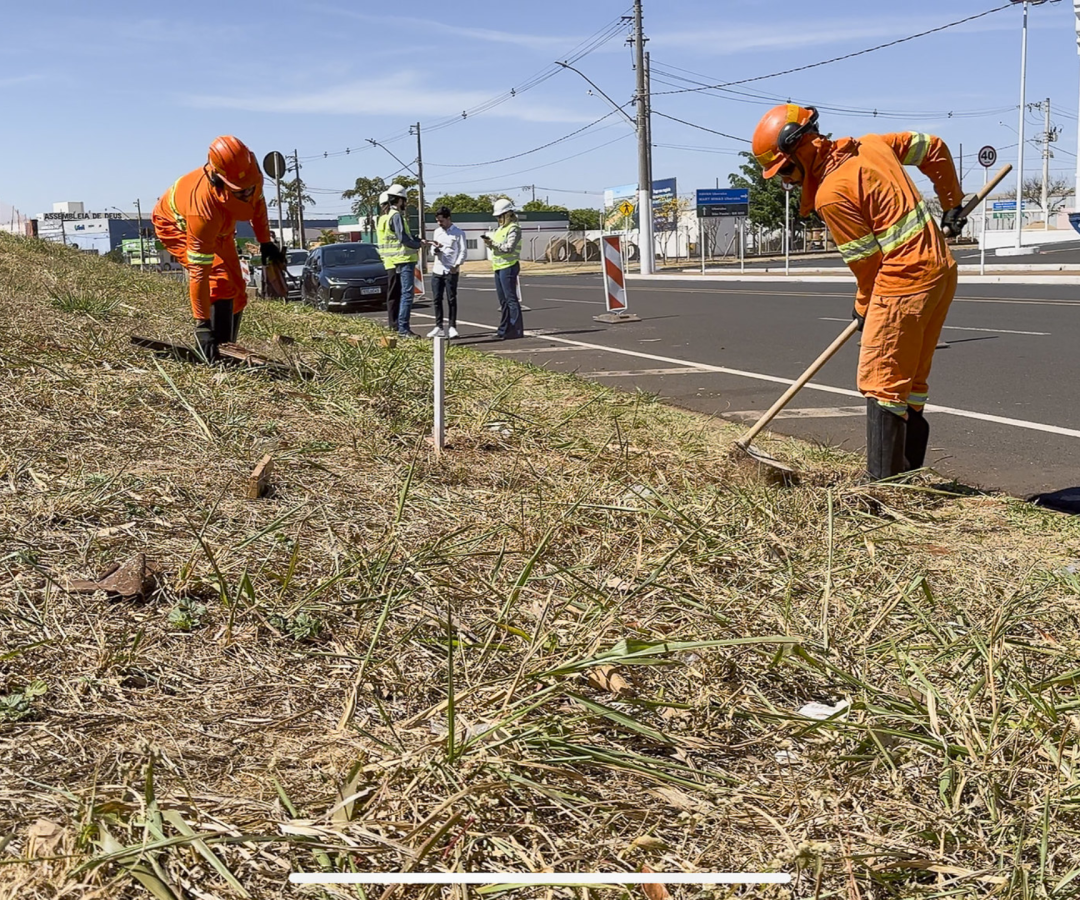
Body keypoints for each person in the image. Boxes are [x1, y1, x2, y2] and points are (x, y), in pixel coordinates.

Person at [751, 104, 967, 480]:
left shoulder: (832, 194)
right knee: (911, 381)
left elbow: (868, 268)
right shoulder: (872, 146)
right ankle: (908, 477)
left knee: (881, 380)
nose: (786, 181)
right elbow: (933, 147)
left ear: (801, 147)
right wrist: (952, 204)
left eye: (785, 169)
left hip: (902, 281)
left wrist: (863, 310)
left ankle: (881, 490)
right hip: (941, 272)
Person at [152, 135, 285, 363]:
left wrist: (265, 242)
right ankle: (215, 351)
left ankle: (227, 347)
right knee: (219, 279)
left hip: (222, 230)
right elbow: (200, 273)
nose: (247, 195)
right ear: (218, 181)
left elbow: (258, 206)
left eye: (250, 188)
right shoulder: (201, 210)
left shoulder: (251, 179)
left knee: (238, 289)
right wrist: (202, 324)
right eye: (240, 192)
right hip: (178, 227)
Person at [375, 183, 425, 338]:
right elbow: (402, 238)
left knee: (399, 294)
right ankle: (403, 328)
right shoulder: (396, 216)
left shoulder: (388, 216)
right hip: (403, 258)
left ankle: (398, 327)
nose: (405, 204)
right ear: (400, 199)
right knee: (406, 295)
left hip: (394, 260)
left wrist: (416, 240)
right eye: (404, 200)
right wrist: (418, 244)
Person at [482, 198, 524, 340]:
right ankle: (504, 329)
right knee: (503, 301)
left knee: (510, 299)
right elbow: (498, 246)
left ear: (509, 214)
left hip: (509, 266)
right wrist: (489, 243)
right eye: (497, 217)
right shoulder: (500, 229)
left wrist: (492, 243)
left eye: (501, 216)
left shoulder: (514, 228)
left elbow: (508, 248)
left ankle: (515, 330)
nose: (499, 219)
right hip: (499, 266)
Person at [428, 206, 467, 338]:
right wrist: (435, 250)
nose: (440, 223)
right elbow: (432, 250)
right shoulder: (437, 232)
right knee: (437, 299)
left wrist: (456, 265)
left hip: (451, 270)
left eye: (442, 220)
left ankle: (452, 326)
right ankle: (439, 326)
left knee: (451, 299)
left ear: (448, 218)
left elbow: (463, 251)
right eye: (438, 221)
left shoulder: (458, 233)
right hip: (437, 269)